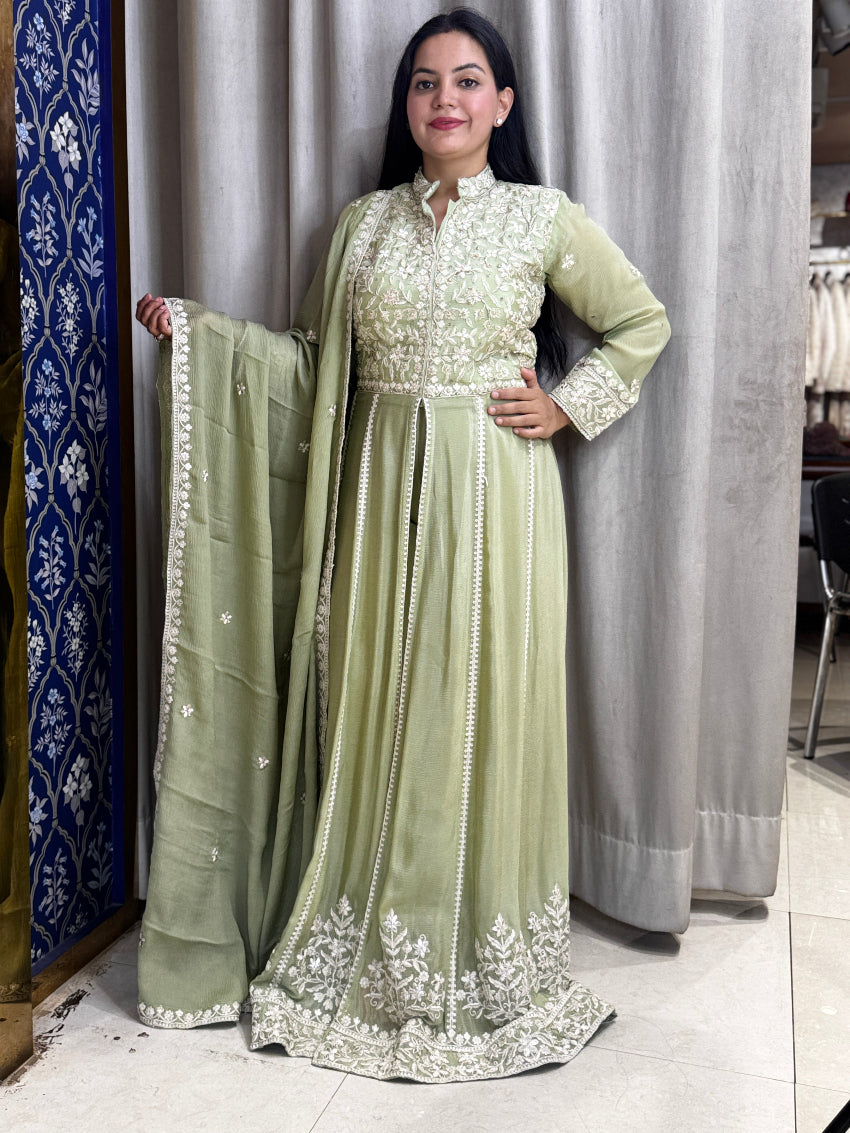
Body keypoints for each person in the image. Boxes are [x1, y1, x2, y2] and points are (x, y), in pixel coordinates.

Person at [135, 8, 670, 1083]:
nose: (444, 100)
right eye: (424, 83)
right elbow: (309, 367)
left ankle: (478, 944)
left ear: (502, 103)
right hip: (375, 504)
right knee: (377, 703)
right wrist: (201, 338)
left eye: (467, 81)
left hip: (498, 499)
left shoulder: (541, 218)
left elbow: (640, 324)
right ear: (406, 106)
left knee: (480, 704)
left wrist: (565, 406)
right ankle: (370, 927)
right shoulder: (362, 227)